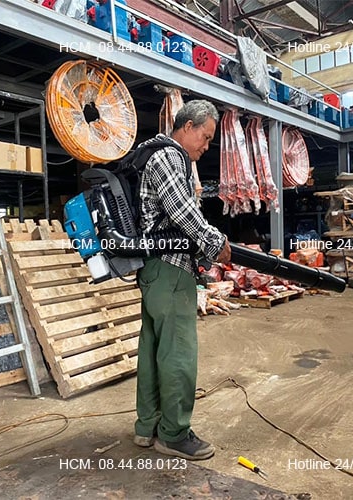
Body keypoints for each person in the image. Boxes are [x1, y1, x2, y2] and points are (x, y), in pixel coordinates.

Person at [133, 100, 231, 460]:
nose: (206, 146)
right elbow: (181, 210)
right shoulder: (169, 156)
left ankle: (148, 427)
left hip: (155, 270)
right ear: (187, 127)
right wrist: (215, 242)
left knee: (153, 350)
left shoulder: (157, 155)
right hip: (171, 269)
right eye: (205, 137)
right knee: (178, 353)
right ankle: (173, 434)